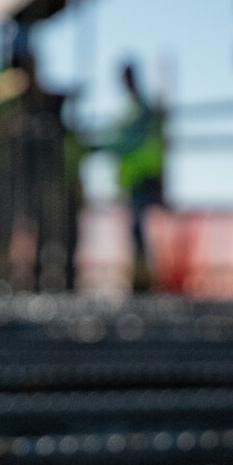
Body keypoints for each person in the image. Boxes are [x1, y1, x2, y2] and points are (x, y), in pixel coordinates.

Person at [0, 32, 78, 292]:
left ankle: (13, 279)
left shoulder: (9, 84)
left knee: (20, 223)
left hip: (15, 167)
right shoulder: (3, 84)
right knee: (3, 225)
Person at [104, 59, 168, 293]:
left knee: (138, 230)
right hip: (133, 179)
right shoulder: (133, 109)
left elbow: (129, 142)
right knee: (136, 231)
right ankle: (141, 278)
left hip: (143, 177)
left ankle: (143, 281)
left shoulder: (142, 109)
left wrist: (106, 146)